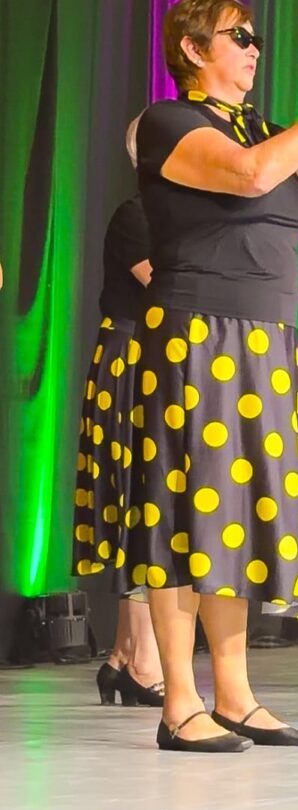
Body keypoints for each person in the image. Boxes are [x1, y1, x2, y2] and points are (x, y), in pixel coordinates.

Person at [130, 0, 298, 752]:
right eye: (239, 36)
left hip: (267, 340)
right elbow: (248, 175)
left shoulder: (269, 127)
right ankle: (180, 701)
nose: (255, 48)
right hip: (198, 332)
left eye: (256, 36)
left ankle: (234, 694)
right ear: (195, 50)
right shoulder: (173, 122)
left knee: (232, 519)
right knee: (186, 518)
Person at [73, 116, 166, 707]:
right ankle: (137, 660)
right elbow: (171, 287)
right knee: (137, 498)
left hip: (166, 358)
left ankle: (126, 659)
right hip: (134, 358)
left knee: (155, 504)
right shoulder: (139, 216)